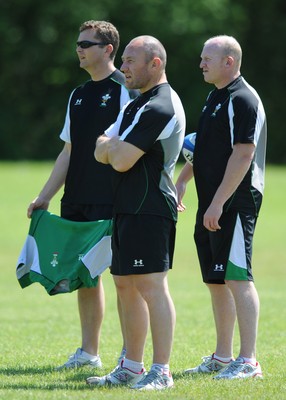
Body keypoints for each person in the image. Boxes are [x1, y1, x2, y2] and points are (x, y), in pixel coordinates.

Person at [27, 20, 137, 369]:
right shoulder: (77, 94)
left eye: (86, 43)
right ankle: (89, 353)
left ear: (108, 49)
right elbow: (69, 151)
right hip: (77, 196)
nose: (79, 48)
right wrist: (45, 195)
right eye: (78, 43)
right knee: (87, 276)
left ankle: (129, 355)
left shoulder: (125, 89)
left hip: (114, 198)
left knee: (124, 279)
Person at [86, 35, 186, 390]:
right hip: (127, 207)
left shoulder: (160, 106)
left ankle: (162, 371)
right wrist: (111, 147)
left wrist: (111, 147)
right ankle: (131, 365)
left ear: (154, 64)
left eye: (130, 60)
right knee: (125, 285)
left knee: (151, 286)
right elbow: (100, 147)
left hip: (151, 208)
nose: (123, 67)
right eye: (124, 60)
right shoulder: (135, 104)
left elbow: (121, 159)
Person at [176, 35, 266, 380]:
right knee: (217, 279)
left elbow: (243, 153)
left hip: (235, 200)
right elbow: (205, 144)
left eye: (207, 59)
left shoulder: (243, 99)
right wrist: (184, 178)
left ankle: (249, 361)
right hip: (212, 201)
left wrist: (217, 202)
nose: (201, 63)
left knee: (237, 276)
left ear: (229, 61)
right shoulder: (216, 96)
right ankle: (223, 356)